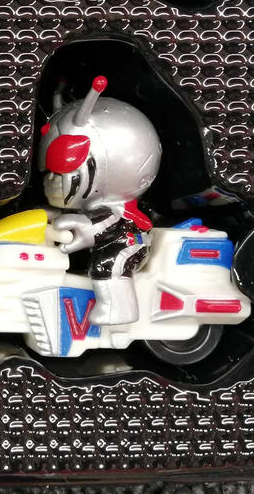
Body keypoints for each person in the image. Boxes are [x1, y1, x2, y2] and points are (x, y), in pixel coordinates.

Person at [37, 75, 162, 324]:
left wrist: (80, 228)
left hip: (129, 242)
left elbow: (100, 225)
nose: (51, 182)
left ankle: (120, 310)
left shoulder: (113, 212)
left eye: (60, 175)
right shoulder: (90, 207)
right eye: (48, 174)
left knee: (108, 263)